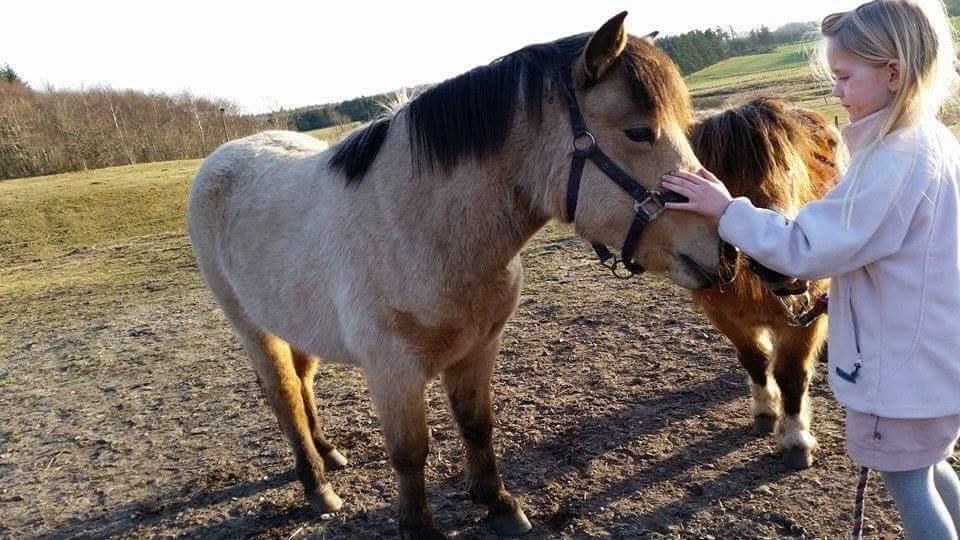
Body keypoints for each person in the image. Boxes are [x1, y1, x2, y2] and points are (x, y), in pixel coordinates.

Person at [661, 1, 960, 537]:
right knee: (931, 468)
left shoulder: (892, 161)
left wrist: (726, 209)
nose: (836, 91)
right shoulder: (934, 142)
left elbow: (806, 247)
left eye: (844, 76)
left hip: (898, 370)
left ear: (893, 72)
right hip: (933, 359)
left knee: (910, 485)